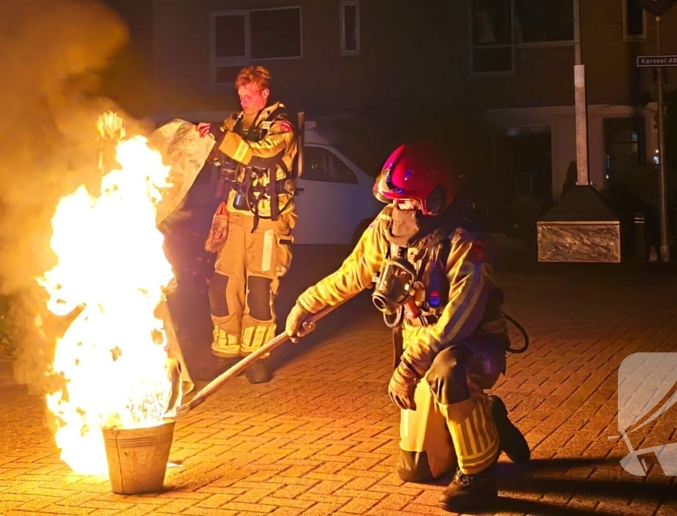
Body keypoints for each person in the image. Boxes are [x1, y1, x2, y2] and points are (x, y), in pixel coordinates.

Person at [285, 142, 529, 511]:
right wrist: (307, 305)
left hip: (471, 347)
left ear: (435, 197)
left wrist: (410, 366)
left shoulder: (465, 242)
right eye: (395, 201)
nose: (400, 210)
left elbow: (456, 322)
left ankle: (479, 477)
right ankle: (487, 417)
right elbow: (352, 274)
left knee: (450, 371)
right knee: (417, 469)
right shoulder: (385, 227)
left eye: (409, 201)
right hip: (421, 354)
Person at [197, 65, 299, 384]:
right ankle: (225, 353)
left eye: (249, 94)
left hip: (269, 219)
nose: (243, 100)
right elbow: (221, 154)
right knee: (221, 285)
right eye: (240, 95)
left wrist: (221, 137)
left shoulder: (281, 124)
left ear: (264, 94)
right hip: (235, 215)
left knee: (259, 289)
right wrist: (206, 138)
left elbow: (260, 155)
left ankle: (255, 358)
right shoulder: (235, 122)